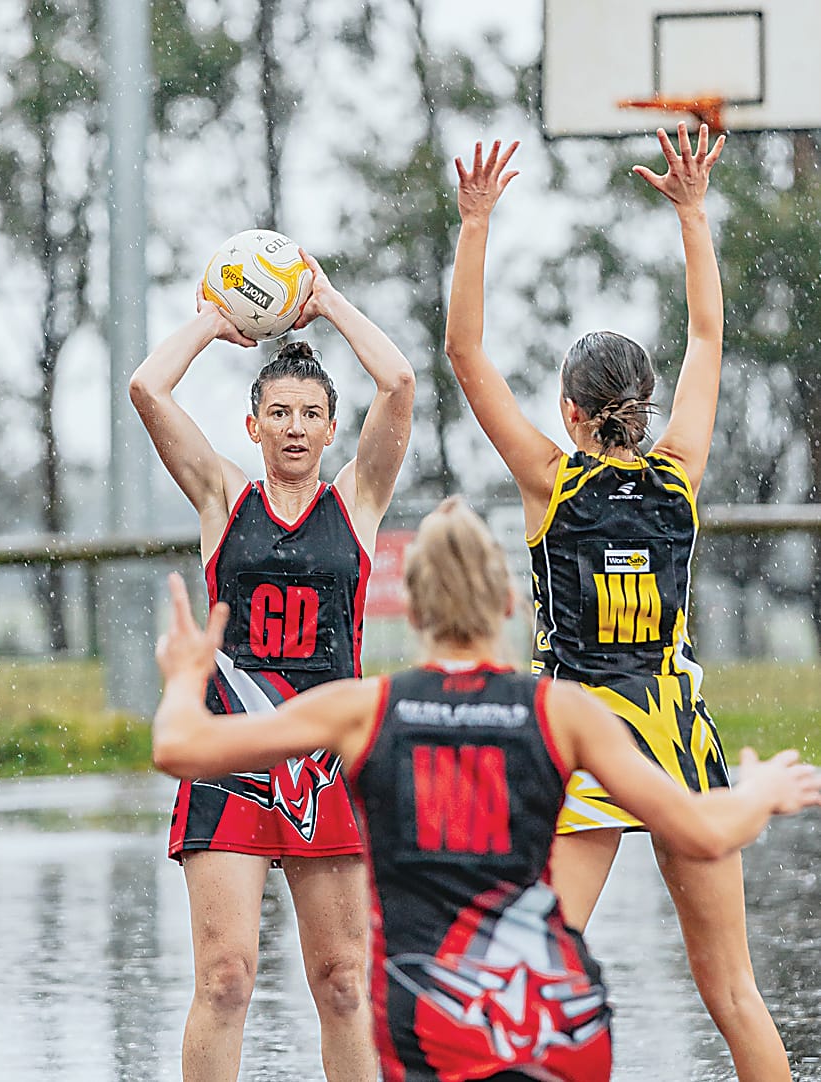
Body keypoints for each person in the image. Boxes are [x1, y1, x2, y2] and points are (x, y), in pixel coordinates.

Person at [151, 499, 821, 1082]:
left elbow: (177, 748)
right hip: (555, 1018)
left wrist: (187, 677)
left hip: (437, 1017)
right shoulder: (564, 711)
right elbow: (704, 832)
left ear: (411, 606)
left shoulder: (364, 711)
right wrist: (759, 790)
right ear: (508, 601)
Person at [441, 125, 803, 1080]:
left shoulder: (550, 480)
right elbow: (710, 335)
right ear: (644, 404)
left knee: (536, 981)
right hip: (678, 740)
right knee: (733, 992)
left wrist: (475, 223)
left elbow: (464, 351)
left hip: (582, 747)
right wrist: (692, 212)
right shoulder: (679, 472)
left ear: (568, 409)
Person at [130, 248, 415, 1082]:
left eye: (310, 414)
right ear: (253, 426)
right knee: (225, 980)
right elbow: (148, 389)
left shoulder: (358, 501)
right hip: (230, 762)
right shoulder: (223, 497)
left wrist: (324, 302)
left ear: (332, 428)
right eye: (279, 412)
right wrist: (217, 320)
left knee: (342, 981)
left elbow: (397, 383)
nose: (294, 427)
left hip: (328, 768)